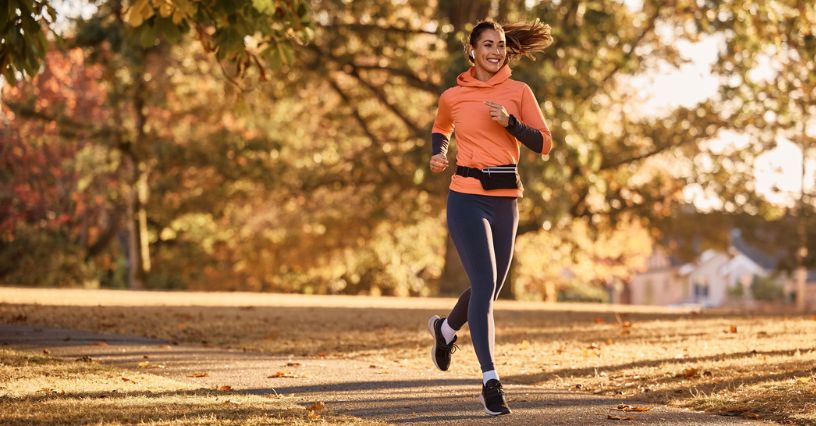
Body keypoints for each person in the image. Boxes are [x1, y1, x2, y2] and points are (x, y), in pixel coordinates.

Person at [427, 19, 554, 416]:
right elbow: (440, 127)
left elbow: (545, 143)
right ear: (472, 50)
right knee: (484, 283)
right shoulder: (454, 95)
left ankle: (446, 330)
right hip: (465, 198)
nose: (495, 51)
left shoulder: (519, 92)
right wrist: (439, 152)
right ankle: (490, 380)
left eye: (500, 45)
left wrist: (512, 124)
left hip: (505, 199)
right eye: (487, 45)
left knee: (491, 288)